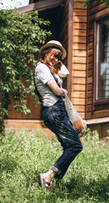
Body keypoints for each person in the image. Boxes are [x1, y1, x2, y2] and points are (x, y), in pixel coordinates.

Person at [34, 40, 83, 190]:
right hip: (54, 111)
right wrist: (64, 92)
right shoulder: (41, 68)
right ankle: (48, 176)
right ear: (45, 52)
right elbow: (56, 90)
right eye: (53, 55)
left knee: (69, 146)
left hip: (57, 112)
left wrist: (57, 61)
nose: (56, 58)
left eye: (59, 56)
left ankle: (54, 181)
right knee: (75, 146)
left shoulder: (49, 69)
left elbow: (66, 73)